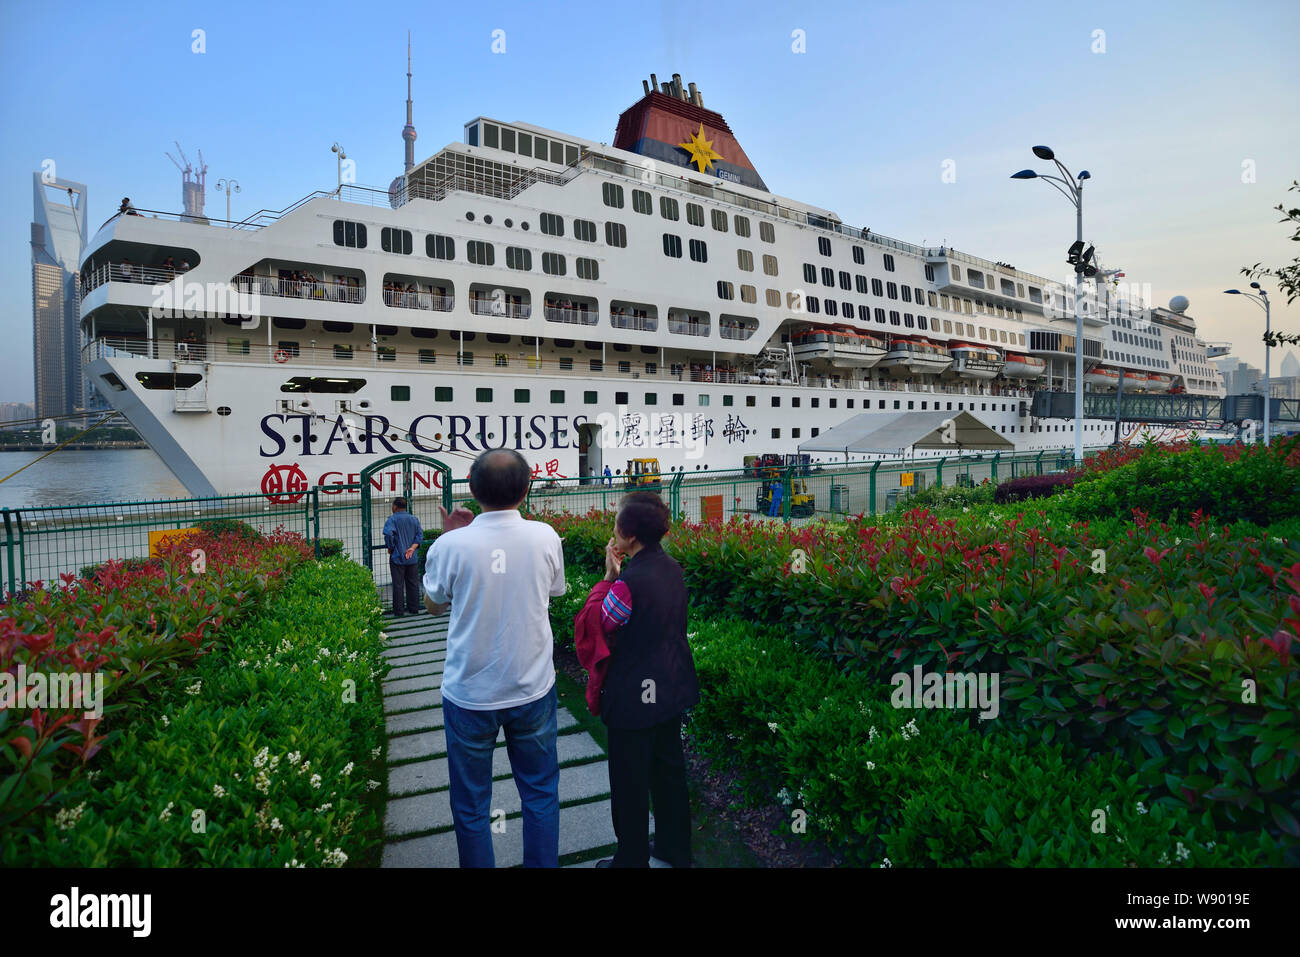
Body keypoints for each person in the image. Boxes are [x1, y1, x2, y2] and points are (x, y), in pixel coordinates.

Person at [422, 449, 565, 867]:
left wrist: (448, 537)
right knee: (540, 793)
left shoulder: (451, 544)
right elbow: (553, 593)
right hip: (533, 687)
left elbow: (433, 605)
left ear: (471, 487)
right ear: (525, 490)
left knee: (471, 804)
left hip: (470, 693)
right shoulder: (546, 536)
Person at [585, 491, 698, 868]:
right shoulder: (671, 568)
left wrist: (608, 578)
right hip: (670, 687)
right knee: (669, 774)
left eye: (617, 523)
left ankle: (630, 859)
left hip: (633, 697)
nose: (613, 529)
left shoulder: (627, 584)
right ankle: (674, 849)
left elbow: (600, 625)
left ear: (629, 536)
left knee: (630, 782)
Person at [383, 497, 424, 616]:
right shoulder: (414, 519)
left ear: (395, 506)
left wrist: (390, 547)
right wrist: (412, 548)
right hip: (412, 557)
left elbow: (388, 534)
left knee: (398, 585)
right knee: (413, 583)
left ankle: (399, 611)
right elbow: (420, 536)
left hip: (397, 556)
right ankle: (414, 608)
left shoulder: (392, 520)